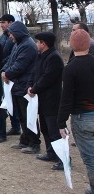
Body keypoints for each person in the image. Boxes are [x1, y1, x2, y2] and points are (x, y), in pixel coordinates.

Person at [58, 29, 94, 194]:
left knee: (91, 158)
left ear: (72, 46)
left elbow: (66, 99)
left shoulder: (71, 68)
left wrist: (61, 122)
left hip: (82, 116)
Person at [1, 21, 40, 153]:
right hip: (17, 85)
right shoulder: (18, 44)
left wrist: (7, 74)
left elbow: (20, 65)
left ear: (17, 33)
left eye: (11, 33)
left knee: (28, 116)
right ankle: (25, 140)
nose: (10, 36)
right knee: (22, 116)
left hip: (24, 85)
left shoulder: (28, 45)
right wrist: (4, 71)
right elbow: (10, 61)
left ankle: (34, 143)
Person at [27, 31, 64, 169]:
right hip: (41, 100)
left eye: (38, 42)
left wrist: (34, 88)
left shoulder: (54, 58)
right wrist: (29, 86)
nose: (36, 44)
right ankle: (51, 153)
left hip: (52, 101)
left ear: (44, 43)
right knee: (45, 129)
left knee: (54, 131)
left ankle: (63, 159)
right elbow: (34, 73)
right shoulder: (40, 56)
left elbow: (47, 78)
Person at [0, 14, 21, 136]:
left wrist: (6, 69)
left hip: (10, 73)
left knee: (13, 100)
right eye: (1, 23)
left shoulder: (15, 39)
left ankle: (17, 126)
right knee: (8, 99)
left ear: (11, 23)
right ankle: (14, 125)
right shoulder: (2, 37)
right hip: (3, 71)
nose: (1, 25)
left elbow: (11, 57)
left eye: (4, 22)